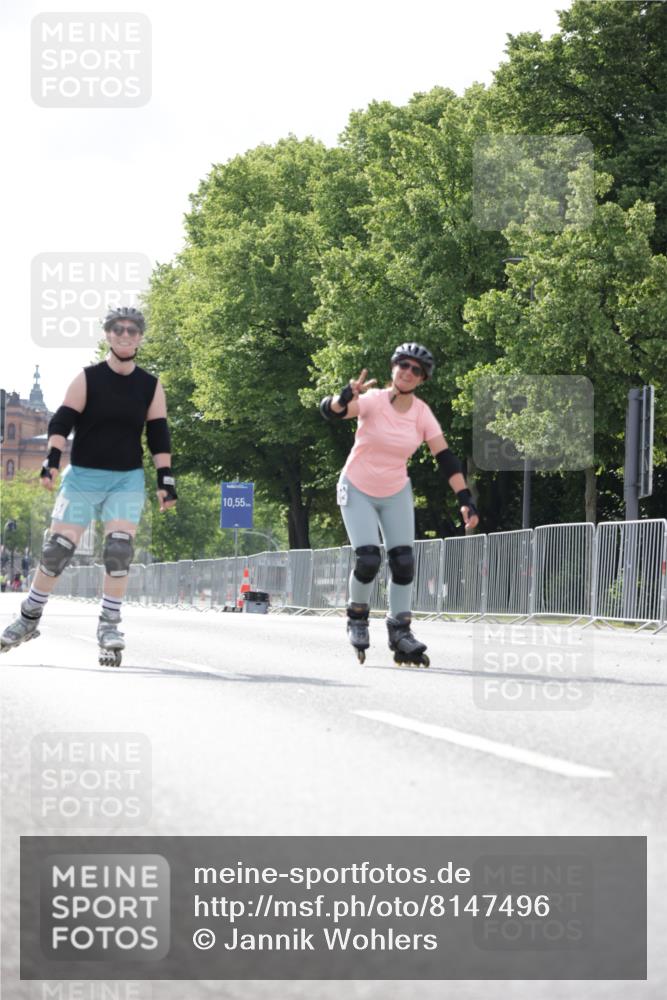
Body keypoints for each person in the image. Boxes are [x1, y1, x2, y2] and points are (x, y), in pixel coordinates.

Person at [0, 307, 178, 665]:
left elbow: (158, 434)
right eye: (118, 329)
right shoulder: (88, 378)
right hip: (82, 476)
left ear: (140, 336)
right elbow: (62, 420)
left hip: (126, 478)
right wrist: (50, 462)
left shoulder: (150, 385)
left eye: (132, 330)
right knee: (56, 550)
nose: (125, 335)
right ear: (108, 335)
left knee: (118, 549)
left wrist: (166, 482)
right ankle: (29, 617)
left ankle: (109, 624)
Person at [319, 342, 479, 665]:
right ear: (393, 368)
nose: (407, 372)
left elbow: (446, 458)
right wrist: (343, 397)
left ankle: (400, 631)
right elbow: (331, 411)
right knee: (368, 559)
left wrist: (465, 499)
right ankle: (358, 617)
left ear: (422, 379)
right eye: (403, 365)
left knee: (404, 562)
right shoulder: (374, 401)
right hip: (357, 487)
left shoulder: (422, 413)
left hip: (395, 492)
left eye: (415, 370)